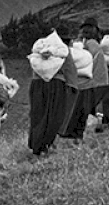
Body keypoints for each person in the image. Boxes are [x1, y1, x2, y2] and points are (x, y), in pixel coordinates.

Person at [28, 22, 80, 156]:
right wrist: (73, 88)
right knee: (53, 116)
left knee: (37, 114)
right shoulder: (63, 51)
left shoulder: (41, 49)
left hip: (36, 84)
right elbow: (70, 71)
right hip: (56, 86)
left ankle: (35, 145)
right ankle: (45, 146)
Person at [59, 17, 109, 143]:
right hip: (102, 80)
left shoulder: (89, 44)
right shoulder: (95, 44)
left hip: (94, 81)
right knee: (91, 106)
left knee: (81, 107)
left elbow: (84, 62)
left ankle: (75, 135)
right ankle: (91, 128)